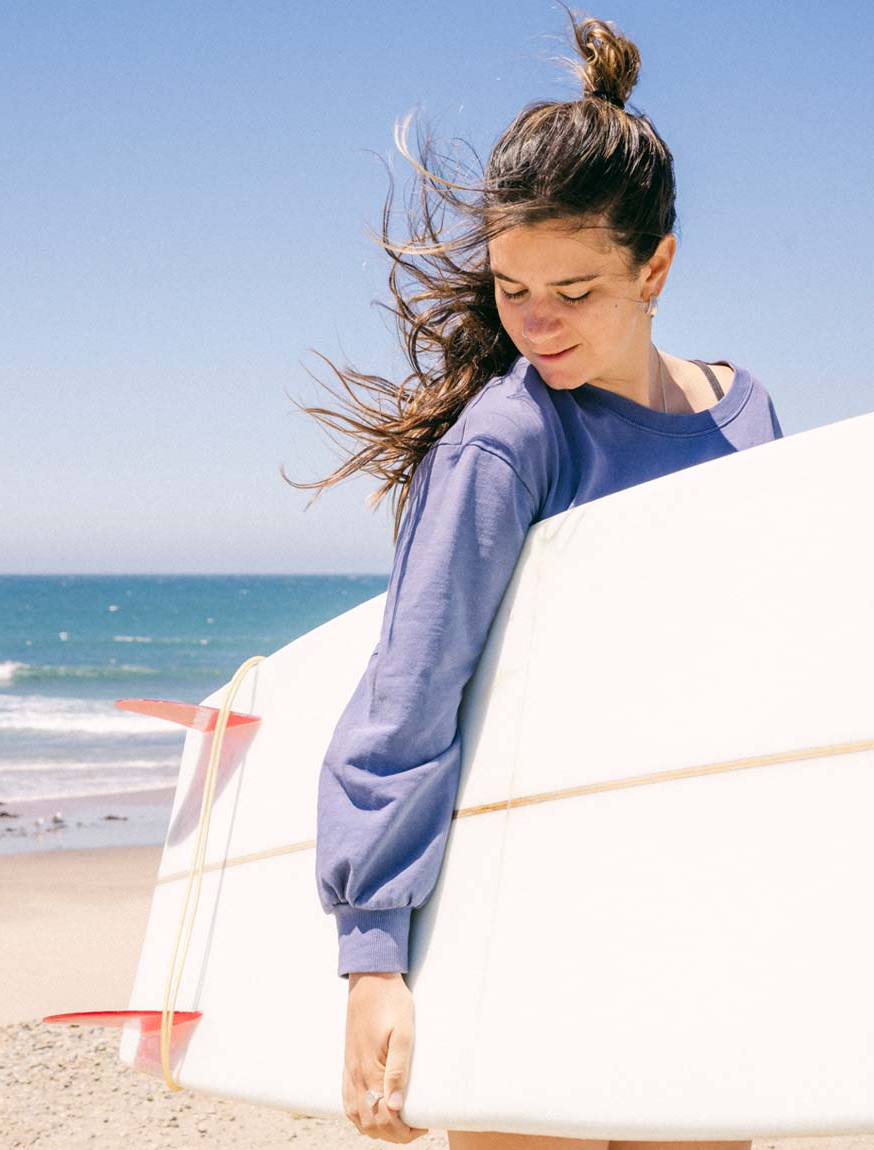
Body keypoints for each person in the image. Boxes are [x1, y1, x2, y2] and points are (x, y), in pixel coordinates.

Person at [287, 5, 782, 1147]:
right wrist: (373, 956)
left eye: (575, 291)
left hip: (692, 904)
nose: (536, 325)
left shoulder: (748, 418)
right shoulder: (508, 443)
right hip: (526, 911)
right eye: (513, 290)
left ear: (655, 264)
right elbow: (410, 690)